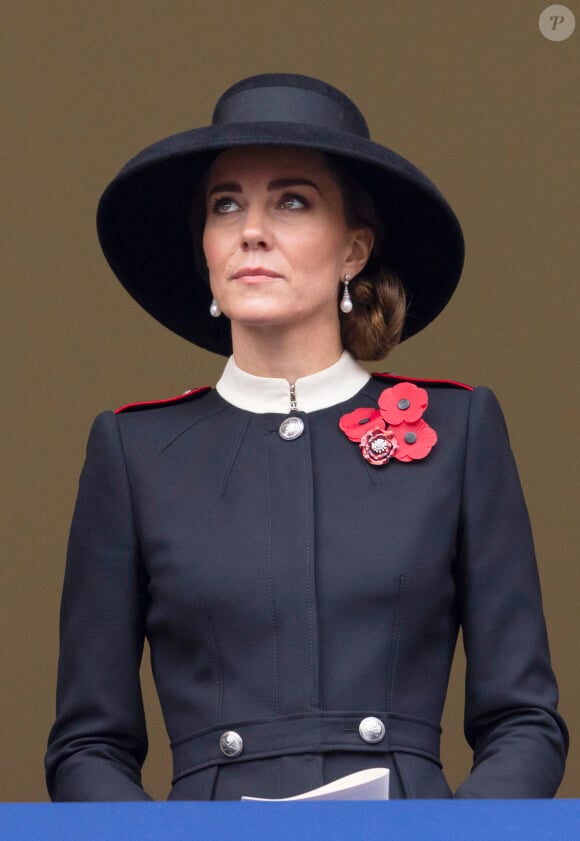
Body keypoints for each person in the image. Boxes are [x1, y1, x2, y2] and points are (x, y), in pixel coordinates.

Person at [45, 73, 568, 801]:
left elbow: (523, 720)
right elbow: (87, 744)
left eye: (292, 200)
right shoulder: (134, 451)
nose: (250, 229)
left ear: (354, 249)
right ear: (205, 247)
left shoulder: (460, 431)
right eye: (225, 204)